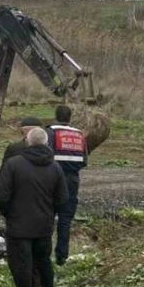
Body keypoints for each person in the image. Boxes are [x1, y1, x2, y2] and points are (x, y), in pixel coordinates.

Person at [0, 127, 68, 287]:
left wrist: (8, 213)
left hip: (18, 224)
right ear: (46, 142)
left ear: (27, 141)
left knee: (22, 263)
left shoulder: (13, 164)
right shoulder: (55, 167)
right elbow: (62, 198)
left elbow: (2, 194)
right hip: (43, 224)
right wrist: (51, 214)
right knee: (44, 261)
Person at [46, 105, 87, 266]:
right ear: (70, 117)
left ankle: (44, 253)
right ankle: (62, 256)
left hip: (53, 179)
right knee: (65, 219)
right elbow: (84, 160)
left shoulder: (51, 132)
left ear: (56, 116)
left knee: (48, 215)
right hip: (72, 181)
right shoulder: (79, 134)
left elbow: (46, 155)